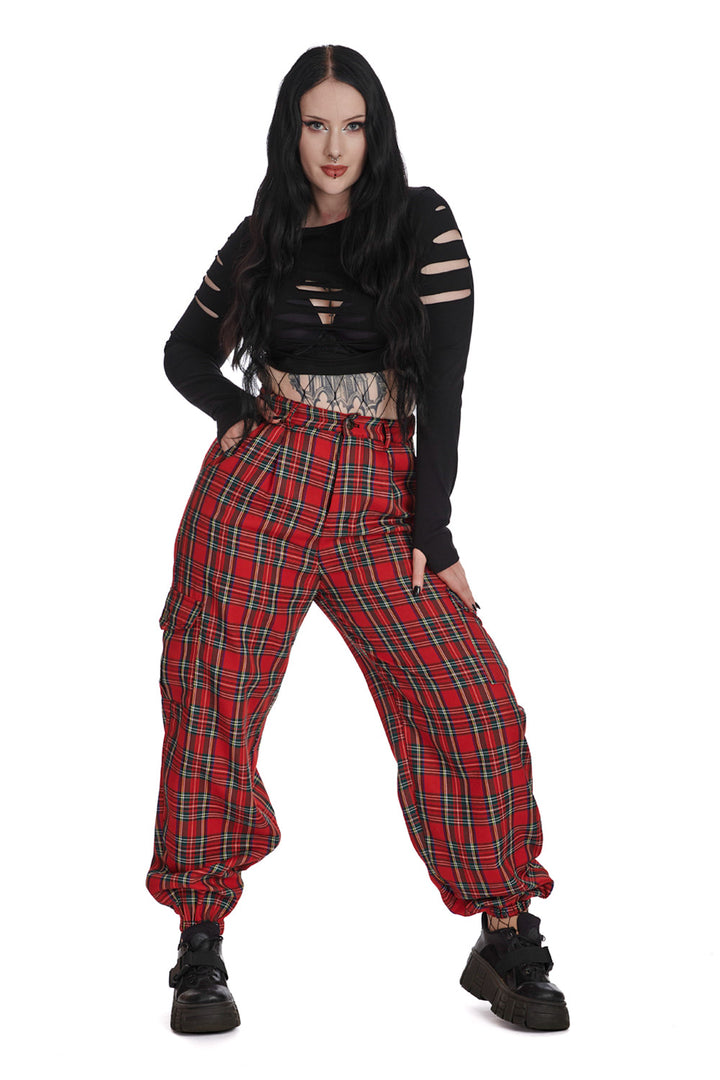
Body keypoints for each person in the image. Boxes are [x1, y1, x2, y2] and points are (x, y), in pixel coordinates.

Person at [146, 43, 569, 1036]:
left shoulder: (421, 222)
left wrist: (435, 528)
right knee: (212, 700)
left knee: (470, 698)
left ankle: (504, 932)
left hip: (382, 492)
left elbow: (446, 388)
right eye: (315, 124)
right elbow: (183, 351)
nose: (333, 146)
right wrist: (238, 414)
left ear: (375, 134)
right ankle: (200, 942)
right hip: (261, 485)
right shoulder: (261, 235)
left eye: (352, 125)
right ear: (289, 133)